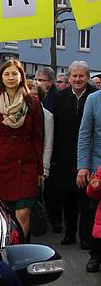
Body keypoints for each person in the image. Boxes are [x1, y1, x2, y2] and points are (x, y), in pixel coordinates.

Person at [0, 60, 43, 236]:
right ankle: (4, 252)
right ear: (1, 78)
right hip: (0, 164)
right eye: (7, 74)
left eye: (14, 73)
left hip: (26, 164)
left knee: (23, 212)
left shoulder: (32, 102)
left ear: (21, 76)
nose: (11, 78)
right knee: (2, 213)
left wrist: (40, 170)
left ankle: (21, 250)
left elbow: (37, 138)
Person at [50, 61, 95, 245]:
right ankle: (69, 233)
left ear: (88, 77)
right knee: (67, 198)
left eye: (81, 76)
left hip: (88, 154)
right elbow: (54, 128)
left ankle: (85, 237)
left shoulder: (94, 97)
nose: (77, 79)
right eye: (74, 76)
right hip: (65, 154)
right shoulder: (59, 97)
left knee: (86, 199)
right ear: (69, 77)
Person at [76, 81, 101, 270]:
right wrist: (83, 166)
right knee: (95, 213)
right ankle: (95, 255)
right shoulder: (93, 100)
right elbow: (85, 134)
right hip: (97, 165)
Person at [26, 80, 54, 181]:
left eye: (34, 94)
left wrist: (44, 169)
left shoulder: (47, 116)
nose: (31, 97)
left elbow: (48, 144)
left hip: (37, 164)